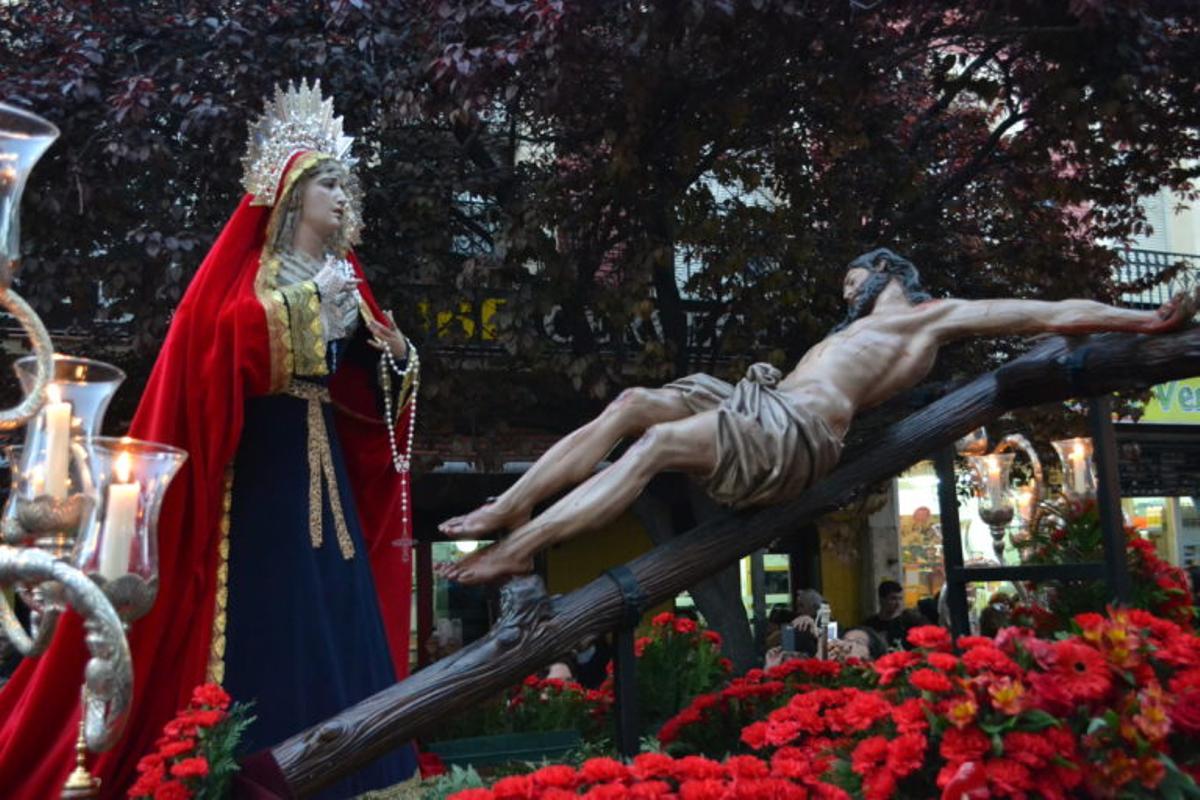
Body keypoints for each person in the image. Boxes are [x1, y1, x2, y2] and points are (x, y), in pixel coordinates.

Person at [0, 81, 420, 799]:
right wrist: (306, 306)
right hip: (261, 480)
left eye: (345, 184)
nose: (340, 196)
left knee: (338, 611)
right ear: (289, 191)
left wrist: (394, 353)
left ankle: (367, 769)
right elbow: (224, 348)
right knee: (278, 613)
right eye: (327, 182)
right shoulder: (252, 279)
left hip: (327, 476)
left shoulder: (347, 276)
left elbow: (365, 383)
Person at [436, 248, 1197, 585]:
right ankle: (510, 503)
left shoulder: (929, 319)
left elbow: (1050, 310)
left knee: (658, 444)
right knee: (634, 404)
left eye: (853, 278)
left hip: (795, 437)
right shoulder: (853, 328)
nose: (846, 291)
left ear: (889, 273)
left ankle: (521, 548)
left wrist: (1144, 319)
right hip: (759, 403)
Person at [862, 580, 926, 649]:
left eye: (900, 599)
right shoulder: (870, 625)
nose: (898, 603)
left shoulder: (909, 622)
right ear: (882, 599)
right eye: (893, 599)